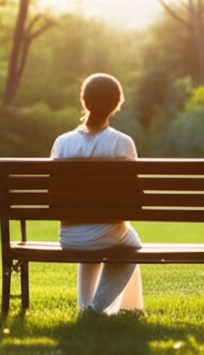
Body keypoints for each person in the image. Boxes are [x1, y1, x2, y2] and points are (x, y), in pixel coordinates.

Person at [50, 73, 143, 315]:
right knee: (132, 246)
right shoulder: (122, 143)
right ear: (116, 105)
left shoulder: (62, 143)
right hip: (106, 233)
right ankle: (98, 309)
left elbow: (53, 197)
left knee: (99, 234)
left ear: (84, 101)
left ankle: (87, 307)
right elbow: (133, 200)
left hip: (68, 236)